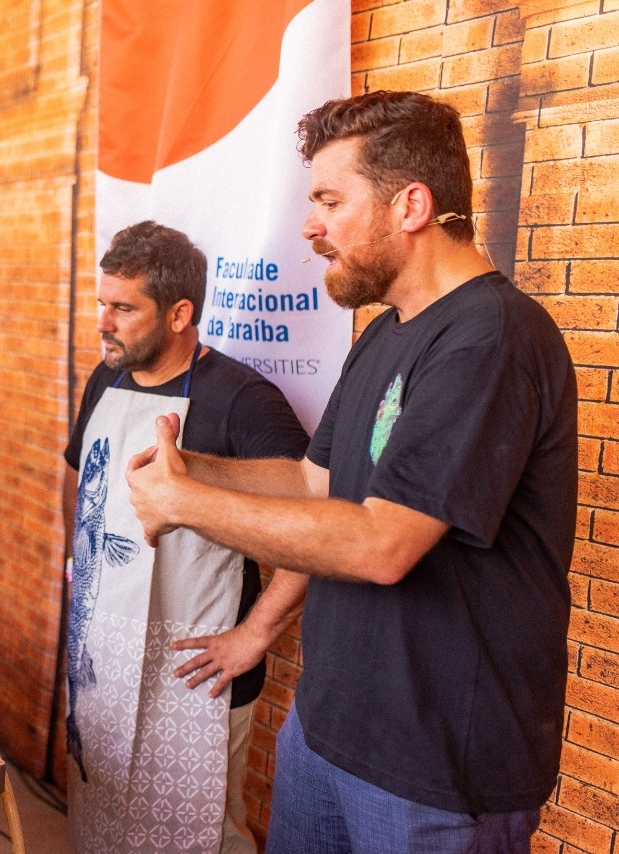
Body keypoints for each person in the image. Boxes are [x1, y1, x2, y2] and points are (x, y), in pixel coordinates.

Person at [126, 91, 577, 854]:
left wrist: (186, 503)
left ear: (411, 205)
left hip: (437, 772)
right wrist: (191, 467)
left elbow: (380, 544)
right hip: (327, 733)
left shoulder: (492, 339)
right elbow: (314, 484)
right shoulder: (386, 334)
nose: (312, 224)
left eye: (331, 200)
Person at [63, 221, 310, 854]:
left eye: (122, 308)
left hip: (197, 675)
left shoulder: (244, 399)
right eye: (101, 303)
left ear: (179, 313)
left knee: (199, 836)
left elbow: (319, 518)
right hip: (103, 659)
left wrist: (254, 635)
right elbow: (81, 479)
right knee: (105, 817)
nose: (103, 321)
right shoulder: (104, 379)